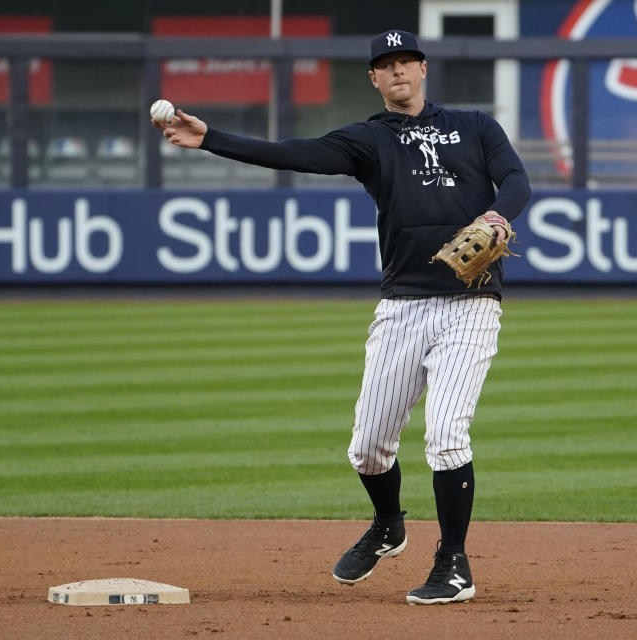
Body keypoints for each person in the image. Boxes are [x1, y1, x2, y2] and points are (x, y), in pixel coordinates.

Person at [155, 29, 531, 605]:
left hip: (470, 306)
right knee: (368, 448)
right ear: (374, 78)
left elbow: (517, 181)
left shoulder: (476, 125)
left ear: (423, 68)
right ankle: (388, 525)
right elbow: (293, 153)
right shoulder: (368, 141)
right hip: (401, 306)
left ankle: (454, 564)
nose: (398, 70)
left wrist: (499, 217)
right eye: (386, 64)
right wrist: (211, 140)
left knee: (447, 434)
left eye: (406, 60)